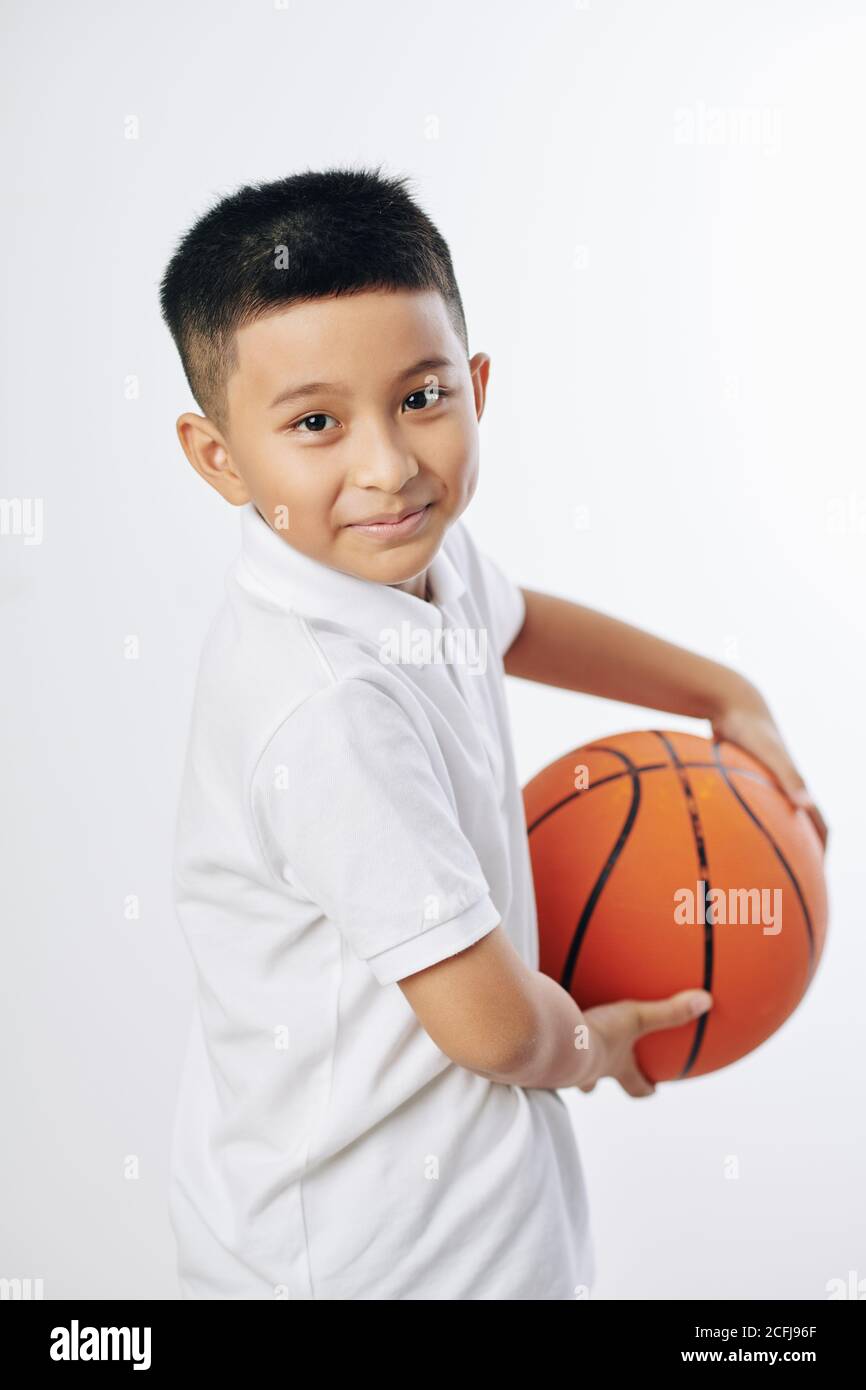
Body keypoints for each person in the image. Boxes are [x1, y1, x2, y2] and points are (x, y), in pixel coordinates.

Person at [159, 165, 827, 1300]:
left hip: (460, 1200)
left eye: (419, 399)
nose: (388, 465)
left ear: (473, 384)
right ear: (220, 457)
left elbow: (515, 623)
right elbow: (492, 1029)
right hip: (361, 1252)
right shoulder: (324, 709)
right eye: (315, 423)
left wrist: (719, 689)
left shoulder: (407, 555)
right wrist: (591, 1047)